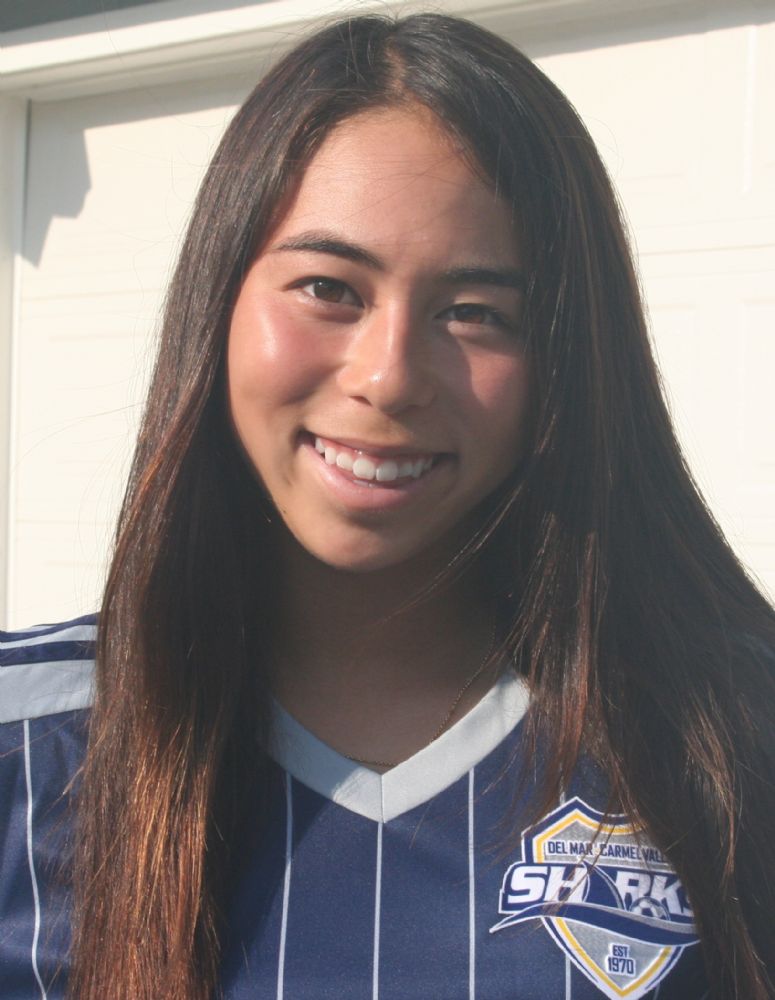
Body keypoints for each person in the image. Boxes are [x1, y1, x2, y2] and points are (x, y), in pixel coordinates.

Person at [1, 12, 774, 1000]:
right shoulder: (26, 741)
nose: (389, 376)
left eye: (475, 312)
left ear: (566, 361)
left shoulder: (728, 730)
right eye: (328, 287)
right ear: (218, 302)